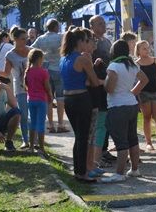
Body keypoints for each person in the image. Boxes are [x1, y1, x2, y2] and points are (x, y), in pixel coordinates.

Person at [60, 27, 102, 182]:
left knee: (78, 137)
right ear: (79, 42)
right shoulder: (82, 59)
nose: (87, 43)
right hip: (81, 98)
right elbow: (95, 82)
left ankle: (78, 171)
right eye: (85, 40)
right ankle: (82, 173)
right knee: (83, 137)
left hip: (68, 99)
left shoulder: (63, 58)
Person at [101, 39, 147, 182]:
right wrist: (132, 92)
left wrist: (104, 82)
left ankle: (119, 174)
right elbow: (144, 80)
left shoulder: (113, 66)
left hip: (117, 106)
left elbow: (110, 89)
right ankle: (134, 169)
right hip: (131, 104)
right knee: (132, 139)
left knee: (121, 142)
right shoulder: (132, 65)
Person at [33, 19, 68, 133]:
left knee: (48, 98)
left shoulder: (41, 39)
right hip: (59, 69)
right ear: (56, 27)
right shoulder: (60, 37)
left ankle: (51, 124)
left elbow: (31, 48)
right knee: (60, 98)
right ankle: (61, 124)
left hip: (46, 70)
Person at [88, 16, 113, 171]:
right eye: (99, 23)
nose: (103, 25)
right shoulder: (90, 42)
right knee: (99, 121)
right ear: (91, 26)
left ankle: (104, 150)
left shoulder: (107, 42)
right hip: (96, 85)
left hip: (108, 84)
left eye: (104, 23)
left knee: (107, 119)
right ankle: (97, 156)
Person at [136, 40, 156, 150]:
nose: (147, 50)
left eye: (148, 47)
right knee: (147, 117)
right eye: (144, 48)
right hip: (143, 93)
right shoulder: (137, 64)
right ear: (138, 51)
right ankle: (148, 142)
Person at [3, 27, 30, 149]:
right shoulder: (10, 55)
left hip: (34, 88)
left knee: (34, 115)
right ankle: (25, 140)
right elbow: (6, 73)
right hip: (20, 88)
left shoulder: (32, 51)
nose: (25, 41)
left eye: (26, 38)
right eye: (23, 39)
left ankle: (35, 140)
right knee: (23, 115)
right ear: (15, 39)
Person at [24, 48, 52, 151]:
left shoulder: (28, 71)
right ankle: (41, 147)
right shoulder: (44, 72)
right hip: (41, 100)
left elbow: (26, 86)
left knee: (32, 123)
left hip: (31, 100)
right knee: (41, 124)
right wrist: (50, 96)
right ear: (39, 59)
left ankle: (31, 146)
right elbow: (47, 87)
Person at [0, 80, 22, 152]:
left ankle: (9, 142)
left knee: (16, 112)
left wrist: (7, 88)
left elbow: (15, 106)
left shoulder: (2, 91)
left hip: (0, 122)